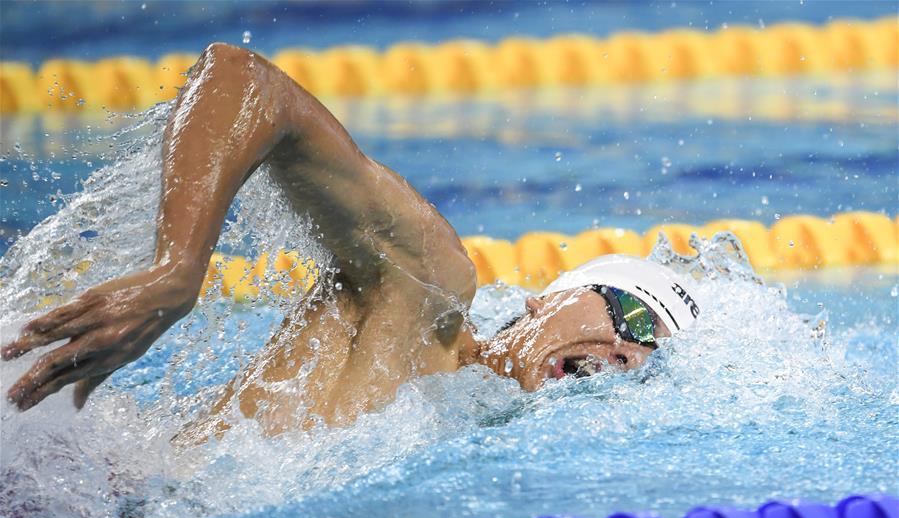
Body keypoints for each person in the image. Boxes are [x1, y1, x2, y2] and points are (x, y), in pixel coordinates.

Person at [1, 43, 699, 435]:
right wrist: (179, 265)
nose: (625, 353)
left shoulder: (465, 430)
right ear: (547, 299)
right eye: (631, 316)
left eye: (650, 355)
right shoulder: (426, 288)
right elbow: (245, 82)